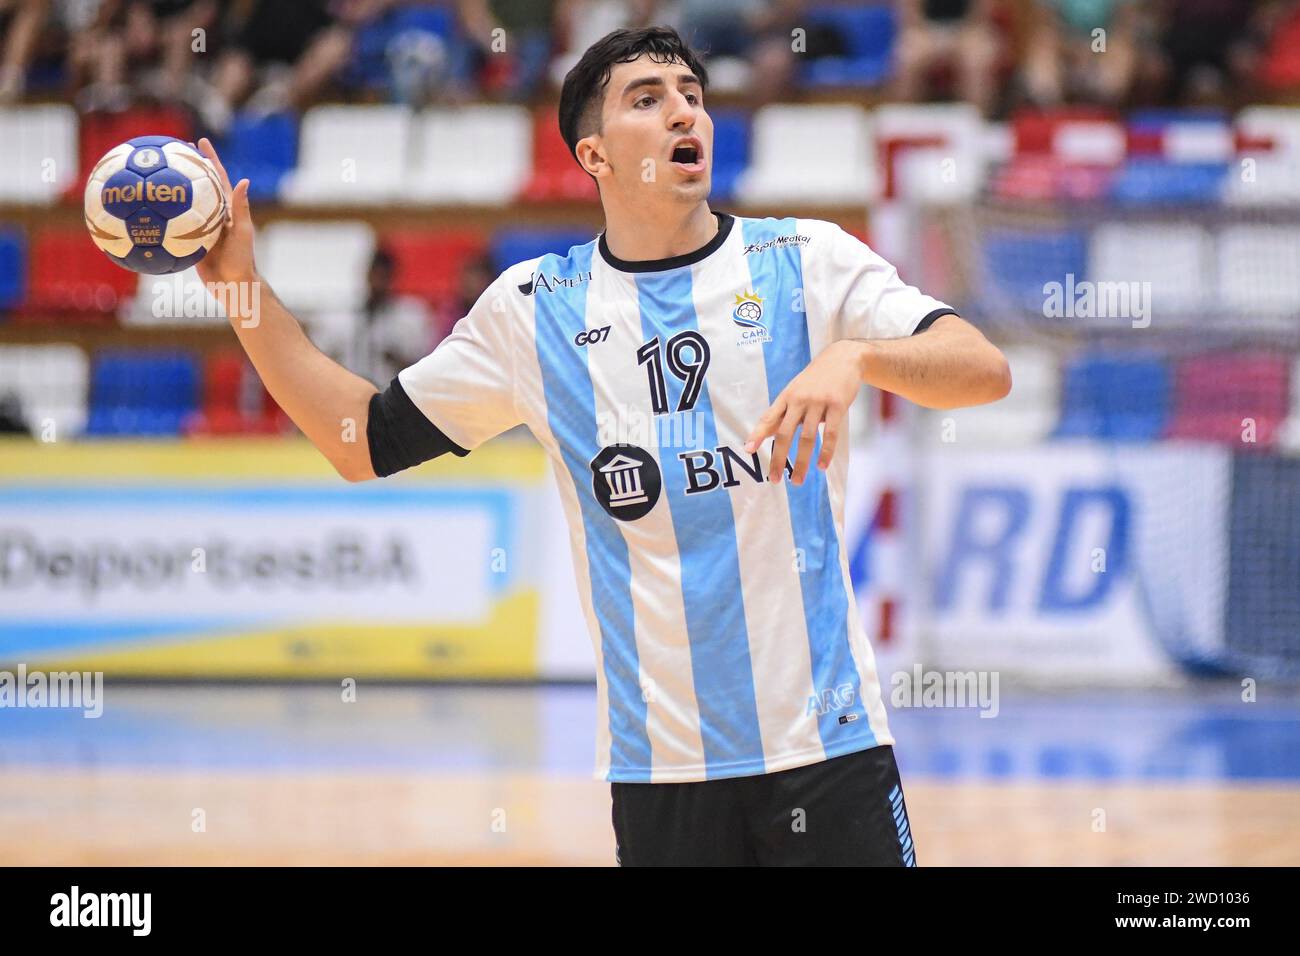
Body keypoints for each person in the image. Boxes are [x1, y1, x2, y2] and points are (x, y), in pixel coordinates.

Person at [195, 26, 1010, 866]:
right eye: (647, 99)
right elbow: (359, 441)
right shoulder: (535, 309)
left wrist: (859, 356)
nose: (682, 112)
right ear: (595, 155)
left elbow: (982, 369)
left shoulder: (805, 261)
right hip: (660, 771)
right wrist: (243, 293)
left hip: (829, 750)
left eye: (690, 95)